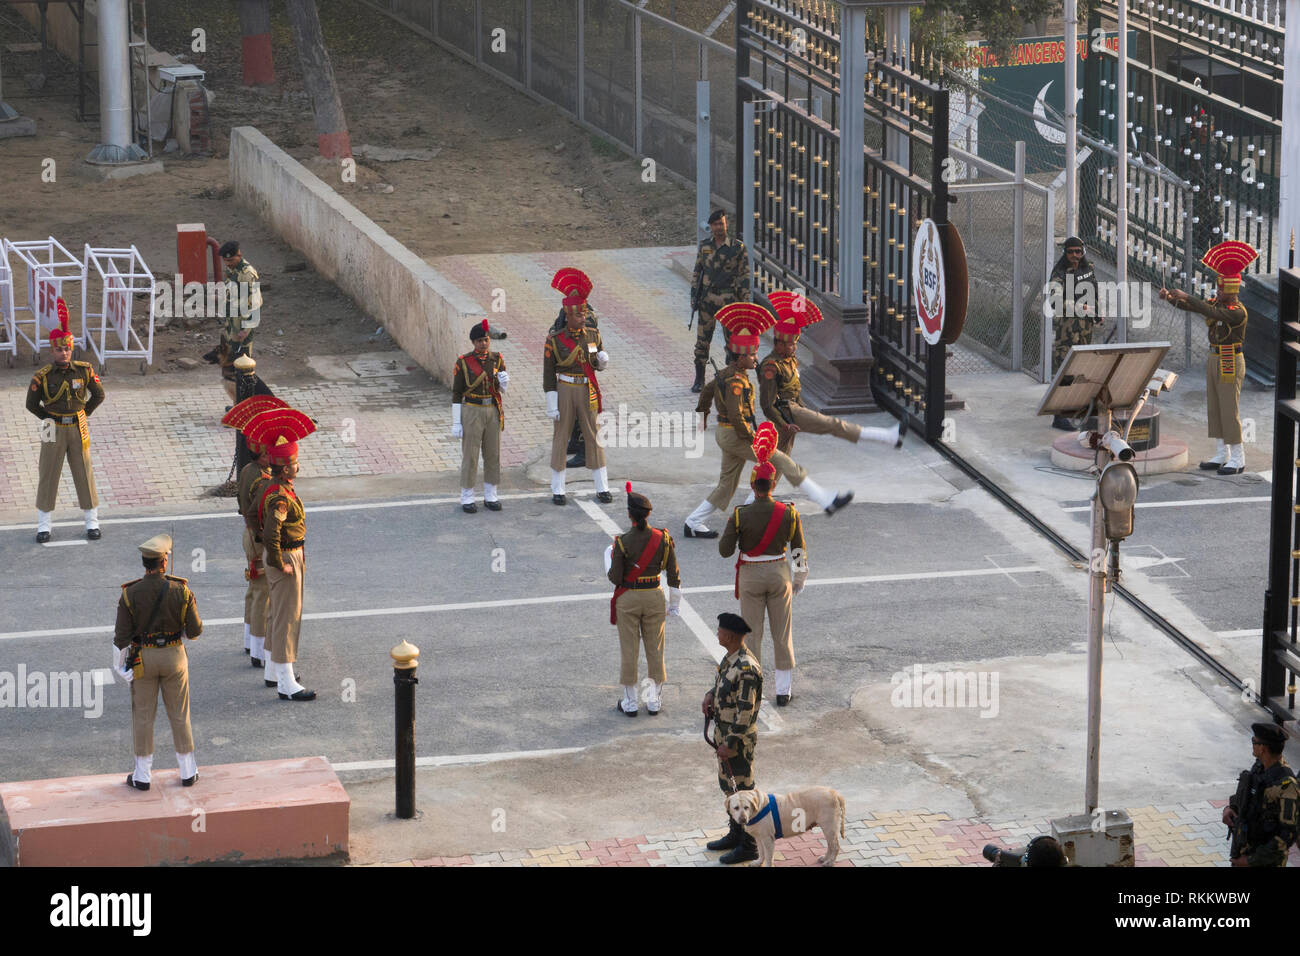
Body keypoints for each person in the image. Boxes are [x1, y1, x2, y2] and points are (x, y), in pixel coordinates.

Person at [685, 302, 852, 538]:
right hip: (735, 435)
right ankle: (824, 499)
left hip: (727, 434)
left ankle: (694, 521)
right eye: (752, 354)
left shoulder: (728, 374)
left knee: (727, 484)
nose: (756, 358)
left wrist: (702, 414)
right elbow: (736, 416)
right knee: (781, 461)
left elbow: (708, 391)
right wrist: (755, 439)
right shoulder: (736, 382)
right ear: (740, 357)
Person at [759, 290, 902, 466]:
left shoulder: (789, 361)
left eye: (795, 343)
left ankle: (759, 491)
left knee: (779, 460)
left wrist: (803, 411)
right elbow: (767, 404)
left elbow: (794, 390)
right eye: (791, 344)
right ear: (779, 345)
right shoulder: (771, 367)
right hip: (784, 414)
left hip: (793, 412)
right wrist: (785, 423)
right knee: (832, 425)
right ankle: (884, 436)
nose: (794, 348)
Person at [719, 423, 807, 706]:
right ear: (773, 484)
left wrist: (734, 528)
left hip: (751, 575)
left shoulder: (740, 513)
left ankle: (752, 689)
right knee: (782, 634)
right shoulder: (788, 512)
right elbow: (798, 549)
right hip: (779, 573)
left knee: (752, 636)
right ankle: (783, 691)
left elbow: (724, 550)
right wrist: (799, 577)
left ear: (752, 484)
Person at [1159, 239, 1257, 475]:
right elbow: (1196, 308)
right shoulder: (1219, 305)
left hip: (1230, 360)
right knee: (1215, 407)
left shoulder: (1237, 312)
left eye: (1221, 289)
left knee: (1229, 409)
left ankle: (1238, 458)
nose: (1218, 291)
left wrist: (1186, 295)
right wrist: (1172, 299)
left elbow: (1209, 311)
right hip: (1215, 358)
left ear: (1231, 290)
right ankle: (1222, 453)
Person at [113, 533, 203, 790]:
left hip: (143, 658)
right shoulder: (181, 589)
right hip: (174, 656)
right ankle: (188, 771)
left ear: (145, 564)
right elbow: (195, 631)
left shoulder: (130, 594)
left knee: (143, 716)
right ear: (164, 562)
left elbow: (121, 637)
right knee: (179, 714)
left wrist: (120, 667)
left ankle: (142, 776)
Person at [246, 410, 317, 701]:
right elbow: (273, 530)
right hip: (287, 558)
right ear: (286, 468)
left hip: (285, 556)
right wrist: (277, 561)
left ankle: (273, 671)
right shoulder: (280, 496)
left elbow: (252, 515)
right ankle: (287, 683)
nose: (298, 466)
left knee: (277, 614)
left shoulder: (269, 486)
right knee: (288, 618)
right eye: (295, 463)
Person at [27, 297, 104, 542]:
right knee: (48, 473)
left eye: (68, 348)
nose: (64, 352)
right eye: (60, 349)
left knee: (84, 471)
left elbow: (99, 394)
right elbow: (31, 404)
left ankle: (92, 522)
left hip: (78, 425)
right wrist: (47, 417)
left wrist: (85, 412)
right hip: (52, 426)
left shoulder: (84, 370)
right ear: (52, 350)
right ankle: (43, 526)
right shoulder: (43, 375)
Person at [606, 482, 682, 716]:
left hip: (628, 598)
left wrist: (608, 561)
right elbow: (674, 574)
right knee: (655, 649)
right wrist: (675, 605)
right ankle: (653, 701)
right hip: (654, 597)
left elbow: (615, 577)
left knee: (629, 650)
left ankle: (629, 704)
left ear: (630, 515)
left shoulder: (621, 542)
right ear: (648, 514)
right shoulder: (663, 538)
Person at [544, 269, 612, 505]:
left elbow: (593, 361)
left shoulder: (592, 335)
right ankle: (558, 489)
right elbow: (548, 375)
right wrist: (551, 402)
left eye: (584, 314)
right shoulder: (555, 340)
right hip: (564, 388)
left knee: (594, 436)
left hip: (586, 388)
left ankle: (602, 487)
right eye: (580, 315)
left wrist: (601, 363)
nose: (584, 318)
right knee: (561, 436)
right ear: (568, 316)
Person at [701, 611, 763, 864]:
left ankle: (749, 846)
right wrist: (709, 695)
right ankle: (736, 835)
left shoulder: (747, 667)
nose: (717, 633)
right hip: (724, 735)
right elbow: (722, 687)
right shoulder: (730, 659)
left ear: (730, 635)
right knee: (730, 789)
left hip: (736, 742)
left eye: (719, 630)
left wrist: (730, 743)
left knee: (743, 793)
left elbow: (745, 711)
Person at [691, 210, 751, 393]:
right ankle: (699, 379)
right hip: (707, 302)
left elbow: (744, 275)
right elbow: (697, 271)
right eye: (716, 224)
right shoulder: (705, 246)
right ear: (711, 226)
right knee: (702, 341)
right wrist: (694, 295)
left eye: (722, 224)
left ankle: (734, 376)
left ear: (727, 225)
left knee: (733, 342)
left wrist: (745, 302)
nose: (719, 227)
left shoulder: (737, 248)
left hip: (729, 303)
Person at [1223, 722, 1298, 867]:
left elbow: (1287, 835)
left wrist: (1251, 861)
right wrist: (1230, 808)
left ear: (1263, 748)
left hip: (1265, 861)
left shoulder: (1287, 785)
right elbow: (1248, 796)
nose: (1252, 745)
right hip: (1245, 849)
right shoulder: (1259, 767)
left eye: (1254, 742)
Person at [452, 319, 508, 513]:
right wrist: (456, 421)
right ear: (473, 342)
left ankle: (491, 495)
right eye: (479, 341)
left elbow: (500, 388)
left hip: (491, 408)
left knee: (493, 453)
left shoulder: (497, 359)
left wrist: (504, 383)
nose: (483, 344)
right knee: (471, 454)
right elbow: (457, 393)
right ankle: (467, 497)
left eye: (486, 340)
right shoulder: (464, 362)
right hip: (472, 409)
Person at [1047, 237, 1101, 429]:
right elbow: (1054, 300)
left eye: (1079, 251)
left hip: (1085, 328)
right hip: (1068, 329)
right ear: (1065, 253)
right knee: (1065, 370)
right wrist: (1079, 306)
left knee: (1082, 370)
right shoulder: (1059, 273)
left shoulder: (1088, 269)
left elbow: (1093, 291)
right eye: (1071, 252)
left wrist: (1097, 313)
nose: (1075, 256)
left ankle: (1078, 409)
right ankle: (1059, 414)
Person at [550, 270, 600, 469]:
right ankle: (574, 442)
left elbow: (589, 343)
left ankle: (584, 452)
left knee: (582, 415)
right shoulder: (565, 311)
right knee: (569, 411)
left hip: (581, 369)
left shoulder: (587, 316)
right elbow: (555, 329)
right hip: (565, 369)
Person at [237, 435, 273, 667]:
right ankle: (259, 651)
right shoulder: (262, 480)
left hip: (248, 535)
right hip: (259, 539)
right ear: (261, 454)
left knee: (254, 590)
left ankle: (250, 639)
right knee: (263, 595)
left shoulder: (248, 469)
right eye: (270, 452)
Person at [217, 240, 263, 402]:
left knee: (243, 369)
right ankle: (239, 404)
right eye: (226, 261)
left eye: (231, 260)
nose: (228, 264)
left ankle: (247, 405)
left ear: (239, 255)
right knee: (232, 367)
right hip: (232, 327)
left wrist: (247, 328)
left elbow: (255, 304)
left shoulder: (247, 274)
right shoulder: (233, 270)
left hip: (242, 330)